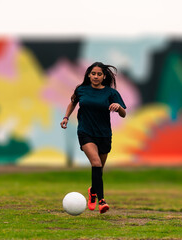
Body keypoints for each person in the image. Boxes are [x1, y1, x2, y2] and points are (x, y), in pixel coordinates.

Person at [60, 62, 126, 214]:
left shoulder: (111, 93)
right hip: (85, 132)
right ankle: (102, 201)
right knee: (95, 163)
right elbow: (72, 103)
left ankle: (93, 191)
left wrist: (118, 107)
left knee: (99, 169)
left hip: (104, 134)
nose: (96, 76)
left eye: (99, 74)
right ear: (89, 75)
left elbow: (123, 114)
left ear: (104, 77)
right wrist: (66, 117)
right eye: (93, 73)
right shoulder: (81, 89)